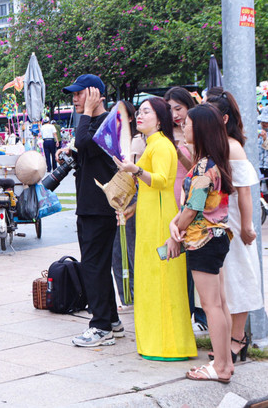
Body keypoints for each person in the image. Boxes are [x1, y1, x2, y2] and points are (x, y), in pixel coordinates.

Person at [114, 98, 196, 360]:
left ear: (160, 119)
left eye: (146, 112)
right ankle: (155, 342)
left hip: (160, 220)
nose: (140, 116)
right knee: (150, 279)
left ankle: (167, 344)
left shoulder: (161, 145)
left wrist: (135, 169)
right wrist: (131, 208)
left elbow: (161, 181)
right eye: (139, 112)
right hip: (150, 217)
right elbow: (150, 187)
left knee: (161, 280)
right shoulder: (153, 144)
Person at [170, 103, 234, 383]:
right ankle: (226, 363)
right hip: (216, 238)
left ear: (202, 128)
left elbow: (192, 208)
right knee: (219, 304)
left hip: (203, 240)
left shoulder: (203, 167)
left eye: (188, 123)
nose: (183, 126)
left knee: (211, 306)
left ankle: (220, 367)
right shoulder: (214, 163)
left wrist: (176, 226)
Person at [58, 74, 123, 347]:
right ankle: (112, 320)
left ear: (95, 94)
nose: (75, 99)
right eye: (73, 95)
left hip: (99, 206)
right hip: (89, 205)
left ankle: (100, 327)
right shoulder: (92, 123)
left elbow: (85, 143)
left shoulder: (109, 122)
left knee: (93, 266)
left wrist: (85, 113)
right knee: (97, 266)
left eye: (80, 94)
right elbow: (82, 148)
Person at [206, 88, 262, 362]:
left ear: (225, 118)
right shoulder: (214, 144)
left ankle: (238, 339)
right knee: (223, 282)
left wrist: (247, 227)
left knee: (238, 278)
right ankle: (227, 338)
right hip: (218, 223)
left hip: (235, 224)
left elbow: (245, 193)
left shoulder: (233, 147)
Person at [164, 86, 207, 333]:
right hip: (171, 201)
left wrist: (179, 150)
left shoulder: (196, 135)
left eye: (178, 109)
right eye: (169, 110)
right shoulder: (164, 134)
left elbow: (197, 169)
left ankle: (200, 316)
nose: (174, 115)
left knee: (195, 258)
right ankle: (184, 312)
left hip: (192, 203)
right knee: (176, 259)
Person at [110, 100, 137, 313]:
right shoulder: (109, 141)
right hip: (114, 201)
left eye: (120, 116)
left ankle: (135, 296)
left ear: (130, 118)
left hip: (133, 201)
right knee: (116, 252)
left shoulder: (136, 141)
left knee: (131, 250)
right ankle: (126, 297)